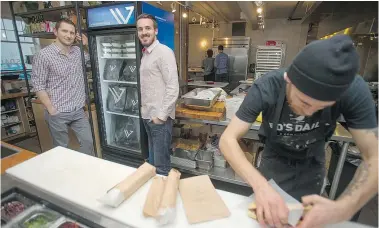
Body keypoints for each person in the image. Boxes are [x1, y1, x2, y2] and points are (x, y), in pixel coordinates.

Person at [219, 35, 378, 228]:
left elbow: (374, 156)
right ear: (289, 80)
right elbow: (228, 139)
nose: (310, 112)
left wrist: (344, 207)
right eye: (304, 102)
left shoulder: (353, 90)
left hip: (312, 166)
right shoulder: (267, 86)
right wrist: (260, 186)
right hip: (273, 164)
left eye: (321, 107)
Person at [31, 18, 94, 156]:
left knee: (89, 143)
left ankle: (81, 169)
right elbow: (38, 84)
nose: (68, 35)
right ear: (55, 32)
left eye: (72, 32)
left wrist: (86, 43)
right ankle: (66, 175)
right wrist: (51, 109)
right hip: (57, 111)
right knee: (61, 149)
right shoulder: (44, 55)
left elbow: (94, 58)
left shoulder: (78, 52)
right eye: (64, 31)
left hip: (78, 110)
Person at [137, 14, 179, 176]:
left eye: (148, 28)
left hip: (159, 119)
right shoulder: (146, 54)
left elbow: (172, 86)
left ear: (155, 30)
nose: (144, 32)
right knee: (153, 163)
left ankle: (163, 200)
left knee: (161, 166)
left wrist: (161, 116)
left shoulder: (163, 52)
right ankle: (155, 197)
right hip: (148, 116)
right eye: (140, 29)